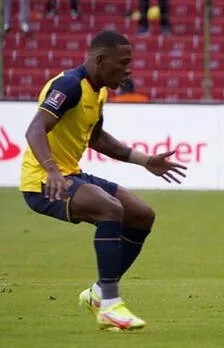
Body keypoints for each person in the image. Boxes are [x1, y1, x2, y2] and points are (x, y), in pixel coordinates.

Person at [20, 30, 187, 331]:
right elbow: (35, 130)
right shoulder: (69, 85)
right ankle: (109, 304)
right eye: (123, 63)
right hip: (42, 183)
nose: (128, 70)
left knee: (141, 215)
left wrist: (145, 160)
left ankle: (97, 292)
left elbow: (97, 139)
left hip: (70, 174)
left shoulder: (98, 91)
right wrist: (52, 171)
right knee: (110, 209)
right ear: (100, 60)